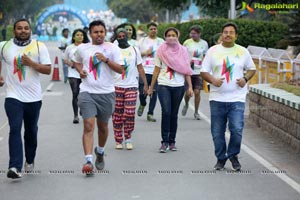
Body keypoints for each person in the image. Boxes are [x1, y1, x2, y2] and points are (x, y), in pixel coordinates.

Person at [0, 18, 51, 179]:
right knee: (14, 129)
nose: (23, 31)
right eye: (20, 28)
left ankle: (29, 159)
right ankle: (14, 166)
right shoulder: (4, 46)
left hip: (34, 98)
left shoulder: (38, 46)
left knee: (31, 132)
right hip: (13, 96)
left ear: (30, 30)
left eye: (26, 28)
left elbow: (48, 70)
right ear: (14, 30)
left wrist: (32, 63)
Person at [201, 22, 256, 171]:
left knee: (237, 129)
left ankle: (233, 155)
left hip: (237, 98)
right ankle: (220, 158)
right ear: (221, 34)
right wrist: (213, 80)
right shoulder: (213, 51)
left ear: (236, 35)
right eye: (225, 32)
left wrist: (245, 79)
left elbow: (252, 69)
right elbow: (203, 71)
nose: (228, 34)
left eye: (231, 32)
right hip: (217, 98)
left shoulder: (243, 51)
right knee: (217, 132)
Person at [72, 20, 124, 175]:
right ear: (90, 33)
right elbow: (76, 62)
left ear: (105, 32)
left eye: (101, 31)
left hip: (107, 93)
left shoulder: (112, 48)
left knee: (102, 127)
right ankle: (88, 160)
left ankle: (100, 152)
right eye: (96, 32)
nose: (99, 35)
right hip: (87, 92)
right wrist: (80, 71)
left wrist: (106, 60)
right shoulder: (83, 48)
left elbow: (121, 69)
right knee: (88, 125)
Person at [148, 27, 193, 153]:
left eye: (174, 35)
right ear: (165, 37)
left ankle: (172, 141)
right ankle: (164, 142)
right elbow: (156, 69)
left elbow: (187, 70)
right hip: (163, 84)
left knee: (174, 114)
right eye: (168, 35)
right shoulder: (160, 50)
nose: (171, 37)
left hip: (179, 86)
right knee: (166, 112)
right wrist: (151, 87)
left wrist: (189, 87)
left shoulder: (184, 51)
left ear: (177, 36)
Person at [112, 28, 148, 150]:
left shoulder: (134, 49)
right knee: (117, 114)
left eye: (123, 36)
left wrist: (146, 84)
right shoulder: (113, 50)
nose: (121, 38)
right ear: (116, 37)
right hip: (116, 86)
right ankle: (118, 139)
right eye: (119, 36)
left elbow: (140, 67)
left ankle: (128, 138)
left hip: (131, 85)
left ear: (127, 36)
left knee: (129, 113)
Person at [137, 22, 164, 122]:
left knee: (154, 92)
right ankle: (143, 103)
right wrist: (145, 53)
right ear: (148, 30)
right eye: (151, 29)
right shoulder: (142, 41)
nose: (153, 30)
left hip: (156, 71)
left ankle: (150, 113)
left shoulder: (161, 41)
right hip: (144, 70)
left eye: (155, 29)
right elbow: (136, 53)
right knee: (142, 91)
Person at [181, 25, 208, 120]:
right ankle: (187, 103)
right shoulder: (187, 43)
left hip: (199, 71)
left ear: (199, 34)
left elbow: (205, 57)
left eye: (194, 33)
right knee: (188, 92)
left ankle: (196, 112)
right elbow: (182, 55)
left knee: (197, 92)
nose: (192, 35)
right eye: (191, 33)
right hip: (188, 71)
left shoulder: (204, 44)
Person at [63, 29, 89, 124]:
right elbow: (65, 60)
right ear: (74, 37)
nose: (79, 36)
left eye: (81, 35)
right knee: (75, 93)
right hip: (73, 74)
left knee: (83, 94)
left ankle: (82, 108)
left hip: (84, 73)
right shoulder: (69, 48)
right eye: (77, 35)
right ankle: (76, 116)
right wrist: (72, 65)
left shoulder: (87, 47)